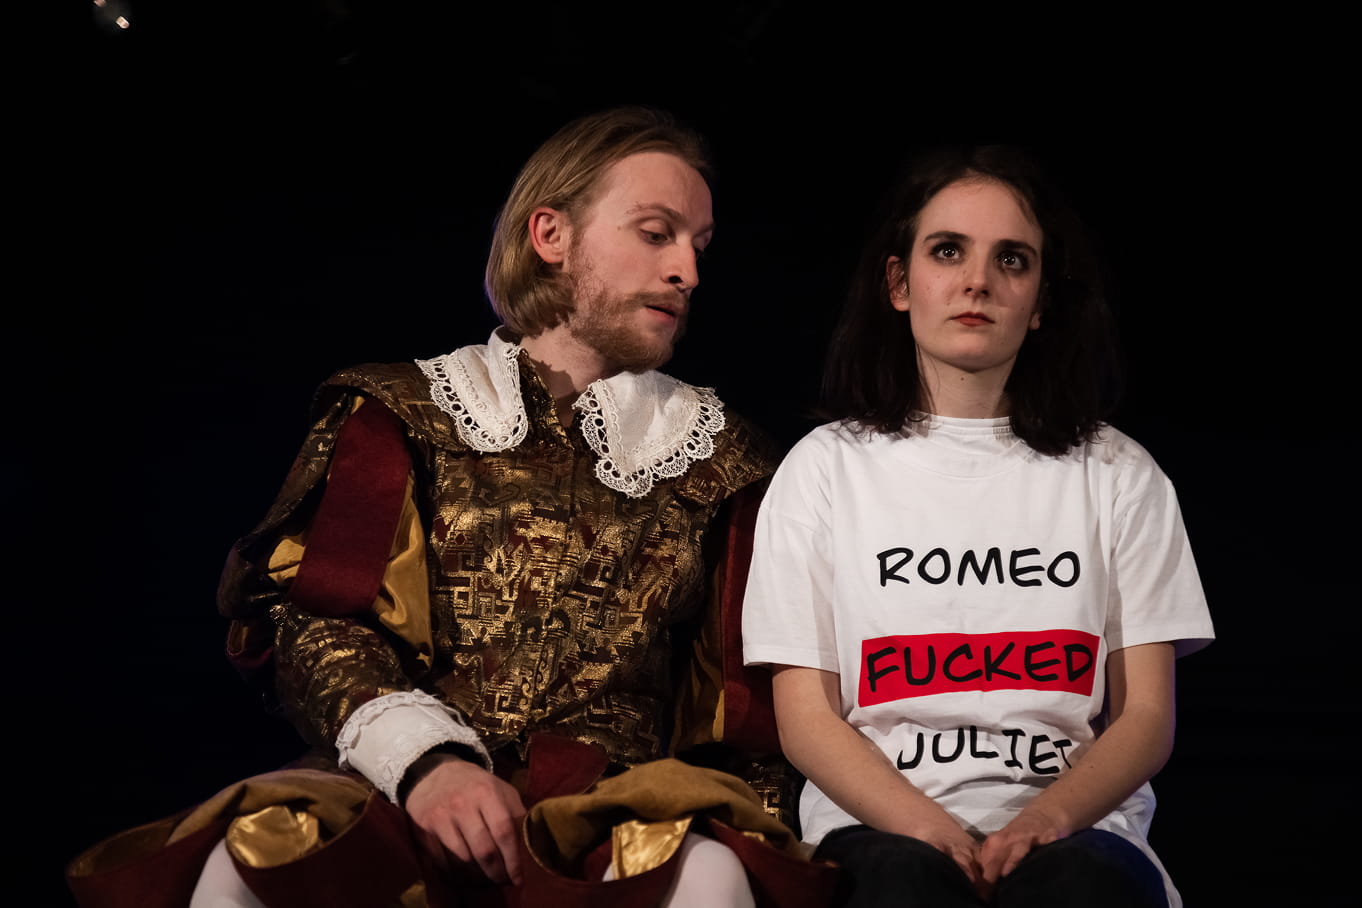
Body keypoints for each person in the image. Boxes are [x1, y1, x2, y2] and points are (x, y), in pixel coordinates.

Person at [67, 106, 839, 908]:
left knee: (707, 873)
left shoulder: (723, 460)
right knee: (250, 858)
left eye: (699, 246)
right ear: (551, 235)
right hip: (402, 794)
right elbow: (321, 620)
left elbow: (747, 712)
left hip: (611, 816)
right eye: (656, 233)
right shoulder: (406, 413)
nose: (688, 271)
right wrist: (426, 762)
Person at [741, 145, 1215, 908]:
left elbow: (1147, 717)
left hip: (1080, 838)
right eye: (947, 251)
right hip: (879, 834)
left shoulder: (1119, 473)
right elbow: (806, 720)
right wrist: (926, 829)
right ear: (899, 284)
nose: (978, 281)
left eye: (1012, 260)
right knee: (899, 885)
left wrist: (1042, 823)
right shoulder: (824, 469)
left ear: (1041, 302)